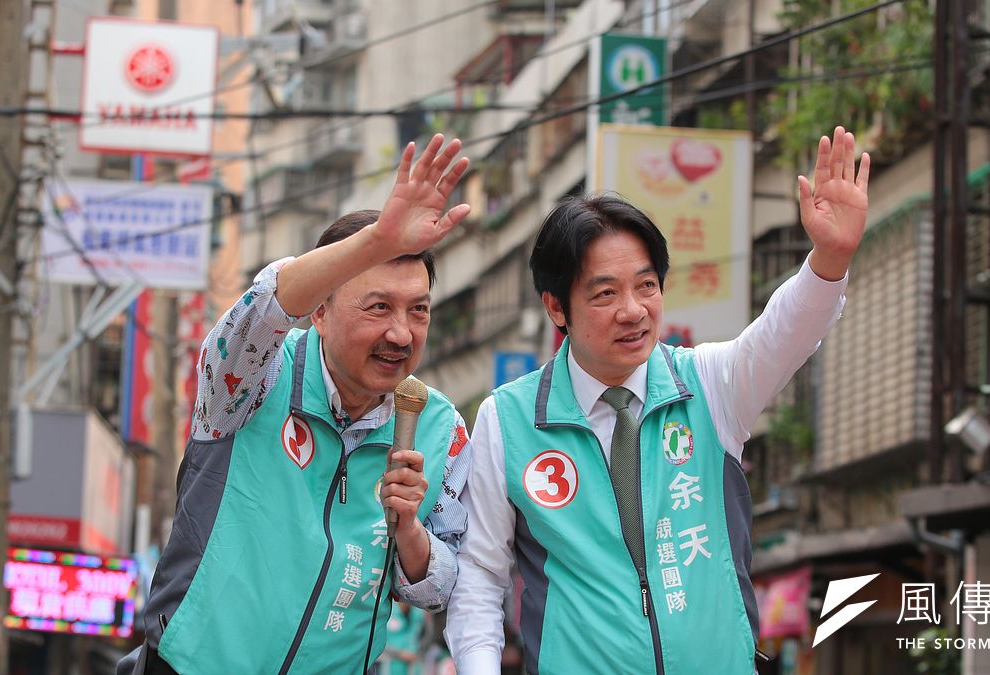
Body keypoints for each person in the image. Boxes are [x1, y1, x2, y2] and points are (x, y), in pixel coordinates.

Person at [445, 127, 870, 674]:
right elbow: (479, 574)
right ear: (556, 308)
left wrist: (829, 259)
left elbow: (784, 333)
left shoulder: (710, 384)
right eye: (604, 293)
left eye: (647, 286)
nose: (633, 310)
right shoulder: (507, 420)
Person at [118, 134, 475, 674]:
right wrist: (377, 240)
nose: (401, 334)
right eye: (378, 307)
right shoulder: (256, 376)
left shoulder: (439, 426)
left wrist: (409, 530)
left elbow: (439, 587)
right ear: (321, 312)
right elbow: (264, 307)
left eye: (418, 311)